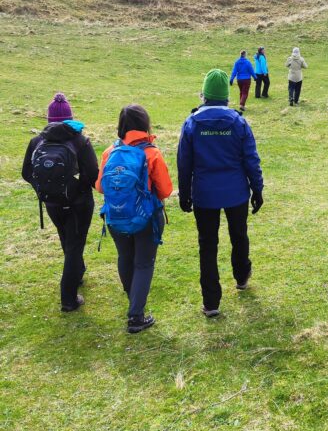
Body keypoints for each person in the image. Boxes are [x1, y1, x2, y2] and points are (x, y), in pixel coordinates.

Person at [177, 69, 264, 318]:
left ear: (204, 94)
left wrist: (184, 193)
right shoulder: (237, 122)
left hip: (205, 194)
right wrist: (257, 188)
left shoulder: (192, 123)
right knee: (239, 235)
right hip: (236, 192)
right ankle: (241, 276)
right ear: (226, 96)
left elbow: (184, 162)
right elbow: (251, 158)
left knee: (208, 245)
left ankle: (211, 302)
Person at [96, 104, 173, 333]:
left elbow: (100, 186)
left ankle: (134, 299)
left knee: (125, 257)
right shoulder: (152, 153)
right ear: (145, 124)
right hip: (146, 218)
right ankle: (136, 316)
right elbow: (166, 190)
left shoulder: (110, 152)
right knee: (143, 264)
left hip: (115, 216)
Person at [22, 93, 99, 312]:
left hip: (52, 202)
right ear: (70, 117)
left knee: (67, 238)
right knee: (75, 245)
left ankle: (78, 272)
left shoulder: (37, 141)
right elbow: (93, 174)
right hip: (79, 203)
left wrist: (43, 189)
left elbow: (26, 172)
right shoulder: (80, 140)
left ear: (48, 119)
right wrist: (79, 187)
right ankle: (68, 299)